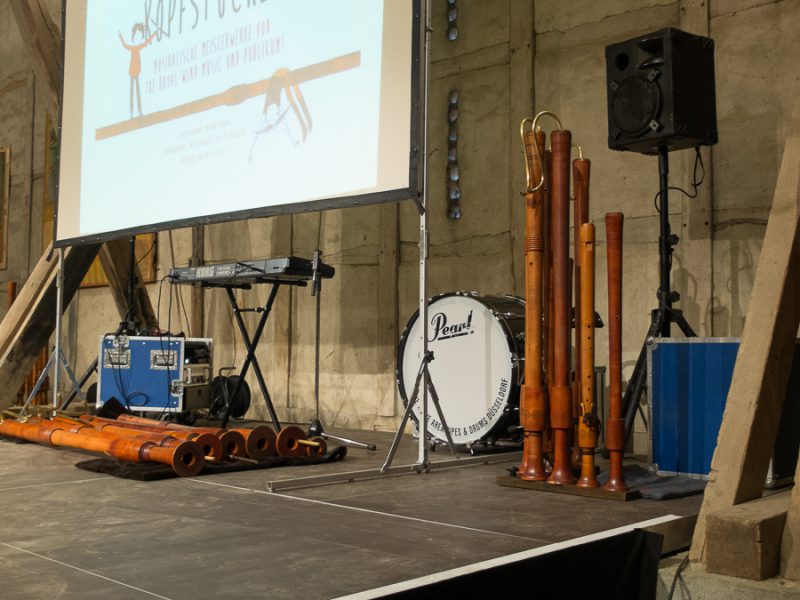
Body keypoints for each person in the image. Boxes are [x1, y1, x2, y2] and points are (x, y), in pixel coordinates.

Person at [119, 24, 157, 119]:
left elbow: (148, 41)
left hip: (137, 72)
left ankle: (139, 111)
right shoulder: (132, 48)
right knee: (132, 92)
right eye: (136, 36)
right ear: (133, 37)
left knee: (138, 92)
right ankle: (131, 112)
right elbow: (124, 45)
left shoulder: (139, 47)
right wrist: (120, 35)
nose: (138, 38)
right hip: (131, 72)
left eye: (140, 36)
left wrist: (155, 33)